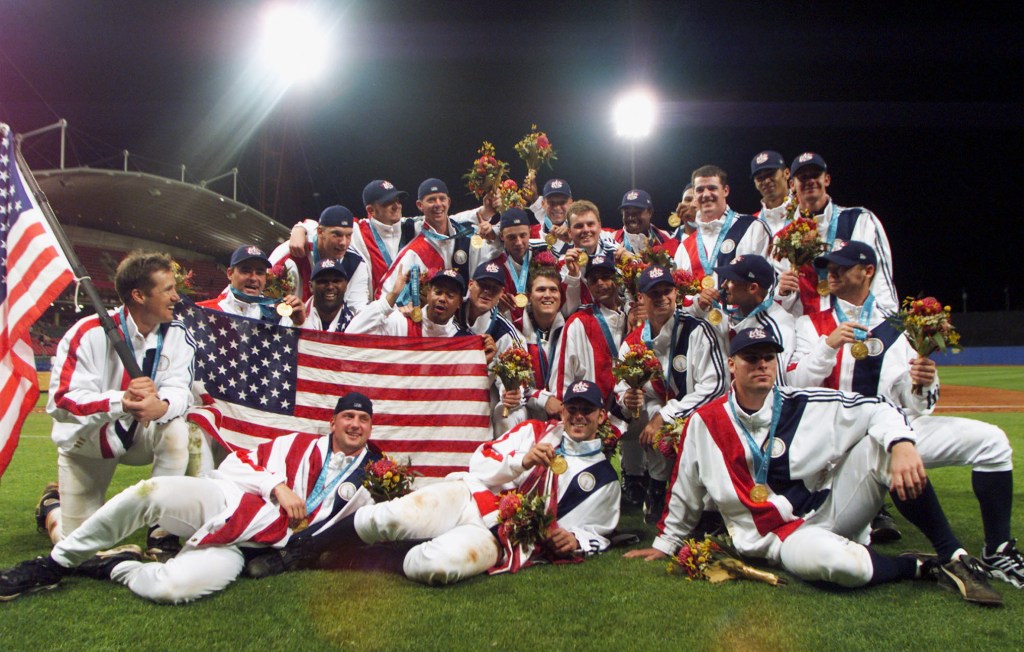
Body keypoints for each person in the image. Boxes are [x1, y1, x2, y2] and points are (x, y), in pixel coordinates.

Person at [625, 327, 1003, 605]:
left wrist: (902, 443)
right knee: (842, 567)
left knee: (885, 445)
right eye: (751, 358)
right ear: (731, 365)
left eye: (768, 358)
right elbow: (685, 489)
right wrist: (667, 543)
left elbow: (880, 408)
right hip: (778, 539)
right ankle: (918, 567)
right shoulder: (705, 422)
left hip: (828, 509)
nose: (761, 365)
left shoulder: (805, 402)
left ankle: (953, 556)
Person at [788, 241, 1023, 588]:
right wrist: (828, 345)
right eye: (829, 266)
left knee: (993, 442)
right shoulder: (811, 323)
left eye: (841, 265)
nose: (831, 272)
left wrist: (922, 384)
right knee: (884, 455)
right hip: (840, 444)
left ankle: (997, 550)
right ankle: (949, 554)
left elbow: (917, 406)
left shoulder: (897, 327)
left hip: (893, 427)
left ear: (867, 271)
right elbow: (794, 385)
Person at [1, 393, 382, 604]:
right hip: (228, 502)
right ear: (332, 422)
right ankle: (54, 563)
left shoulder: (376, 476)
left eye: (363, 420)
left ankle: (116, 565)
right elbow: (237, 463)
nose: (355, 424)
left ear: (370, 428)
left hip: (253, 546)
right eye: (348, 416)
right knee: (152, 493)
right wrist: (276, 487)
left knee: (173, 588)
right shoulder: (296, 444)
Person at [245, 380, 620, 586]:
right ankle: (297, 551)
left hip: (505, 536)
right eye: (573, 408)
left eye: (587, 410)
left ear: (601, 416)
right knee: (388, 517)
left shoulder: (604, 479)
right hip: (473, 497)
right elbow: (480, 462)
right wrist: (519, 461)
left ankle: (347, 555)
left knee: (435, 566)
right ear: (564, 409)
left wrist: (578, 540)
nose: (579, 416)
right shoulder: (535, 431)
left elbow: (599, 529)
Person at [39, 252, 203, 560]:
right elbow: (61, 402)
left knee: (179, 430)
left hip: (140, 435)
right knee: (79, 547)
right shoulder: (87, 333)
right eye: (167, 289)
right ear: (139, 295)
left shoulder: (178, 333)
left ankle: (161, 530)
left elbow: (180, 389)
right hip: (89, 442)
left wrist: (163, 406)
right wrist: (120, 402)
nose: (176, 297)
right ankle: (52, 508)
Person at [616, 266, 729, 522]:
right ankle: (655, 488)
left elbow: (716, 386)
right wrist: (627, 398)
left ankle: (709, 504)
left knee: (660, 417)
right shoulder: (633, 342)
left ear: (676, 293)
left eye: (667, 291)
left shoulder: (698, 329)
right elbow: (621, 386)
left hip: (703, 415)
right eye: (654, 293)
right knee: (647, 413)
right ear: (641, 299)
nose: (662, 298)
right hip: (665, 413)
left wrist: (666, 416)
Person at [780, 152, 897, 318]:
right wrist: (783, 293)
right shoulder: (783, 237)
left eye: (815, 175)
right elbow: (783, 293)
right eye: (803, 177)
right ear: (792, 185)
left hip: (853, 322)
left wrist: (888, 323)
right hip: (806, 328)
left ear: (826, 179)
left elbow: (880, 280)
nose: (810, 181)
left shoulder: (860, 220)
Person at [674, 165, 771, 318]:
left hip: (744, 327)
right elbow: (678, 301)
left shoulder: (752, 227)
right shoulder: (684, 248)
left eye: (712, 188)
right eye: (700, 190)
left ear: (725, 190)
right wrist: (697, 305)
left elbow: (768, 283)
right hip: (701, 334)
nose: (706, 194)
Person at [378, 178, 499, 300]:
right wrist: (399, 309)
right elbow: (383, 295)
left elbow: (496, 253)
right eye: (431, 200)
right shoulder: (414, 251)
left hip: (467, 315)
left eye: (442, 199)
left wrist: (489, 218)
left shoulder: (466, 236)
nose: (438, 204)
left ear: (449, 202)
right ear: (420, 205)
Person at [551, 254, 628, 406]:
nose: (600, 283)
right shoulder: (580, 321)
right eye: (593, 280)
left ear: (617, 280)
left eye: (605, 277)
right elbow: (563, 373)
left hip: (628, 408)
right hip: (589, 412)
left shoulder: (632, 315)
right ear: (589, 286)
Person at [709, 254, 797, 381]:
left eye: (731, 281)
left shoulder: (777, 328)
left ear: (752, 288)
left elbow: (777, 383)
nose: (723, 286)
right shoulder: (737, 312)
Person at [271, 205, 371, 313]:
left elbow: (359, 309)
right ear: (320, 232)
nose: (343, 243)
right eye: (337, 234)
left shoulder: (356, 264)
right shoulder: (289, 253)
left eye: (348, 235)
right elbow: (268, 301)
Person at [346, 267, 475, 340]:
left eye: (450, 295)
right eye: (438, 292)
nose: (442, 298)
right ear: (428, 293)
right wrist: (393, 295)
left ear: (459, 302)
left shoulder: (461, 339)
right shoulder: (402, 322)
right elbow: (352, 334)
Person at [196, 245, 305, 326]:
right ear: (229, 273)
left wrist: (298, 324)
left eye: (260, 272)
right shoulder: (203, 311)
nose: (253, 278)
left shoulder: (275, 316)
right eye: (246, 270)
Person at [351, 179, 422, 299]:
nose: (396, 206)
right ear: (370, 210)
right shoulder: (358, 231)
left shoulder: (412, 227)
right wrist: (306, 231)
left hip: (410, 311)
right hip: (375, 312)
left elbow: (454, 220)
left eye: (397, 200)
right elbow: (323, 228)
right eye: (387, 202)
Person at [612, 189, 679, 258]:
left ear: (650, 212)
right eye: (627, 213)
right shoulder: (611, 240)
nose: (631, 217)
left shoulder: (668, 238)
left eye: (637, 212)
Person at [299, 259, 355, 332]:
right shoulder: (294, 320)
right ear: (311, 287)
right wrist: (298, 323)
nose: (330, 287)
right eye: (323, 281)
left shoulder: (355, 324)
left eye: (336, 281)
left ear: (346, 285)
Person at [750, 150, 794, 234]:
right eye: (760, 178)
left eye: (771, 174)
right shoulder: (751, 224)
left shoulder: (805, 211)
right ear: (755, 183)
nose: (766, 181)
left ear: (787, 173)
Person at [529, 178, 574, 257]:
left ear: (571, 203)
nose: (557, 207)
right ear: (543, 204)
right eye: (551, 202)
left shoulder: (580, 234)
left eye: (562, 202)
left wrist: (574, 238)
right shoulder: (532, 233)